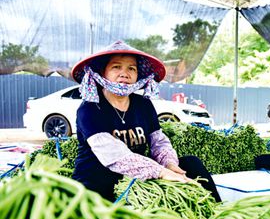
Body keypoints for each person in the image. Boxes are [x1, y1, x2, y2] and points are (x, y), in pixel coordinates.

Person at [71, 40, 221, 202]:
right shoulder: (90, 109)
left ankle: (216, 209)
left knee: (191, 163)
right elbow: (115, 157)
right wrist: (161, 172)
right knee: (102, 181)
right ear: (103, 73)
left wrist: (170, 165)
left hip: (140, 174)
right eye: (116, 67)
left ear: (137, 75)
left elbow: (159, 142)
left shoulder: (143, 104)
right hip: (99, 176)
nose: (124, 73)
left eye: (131, 68)